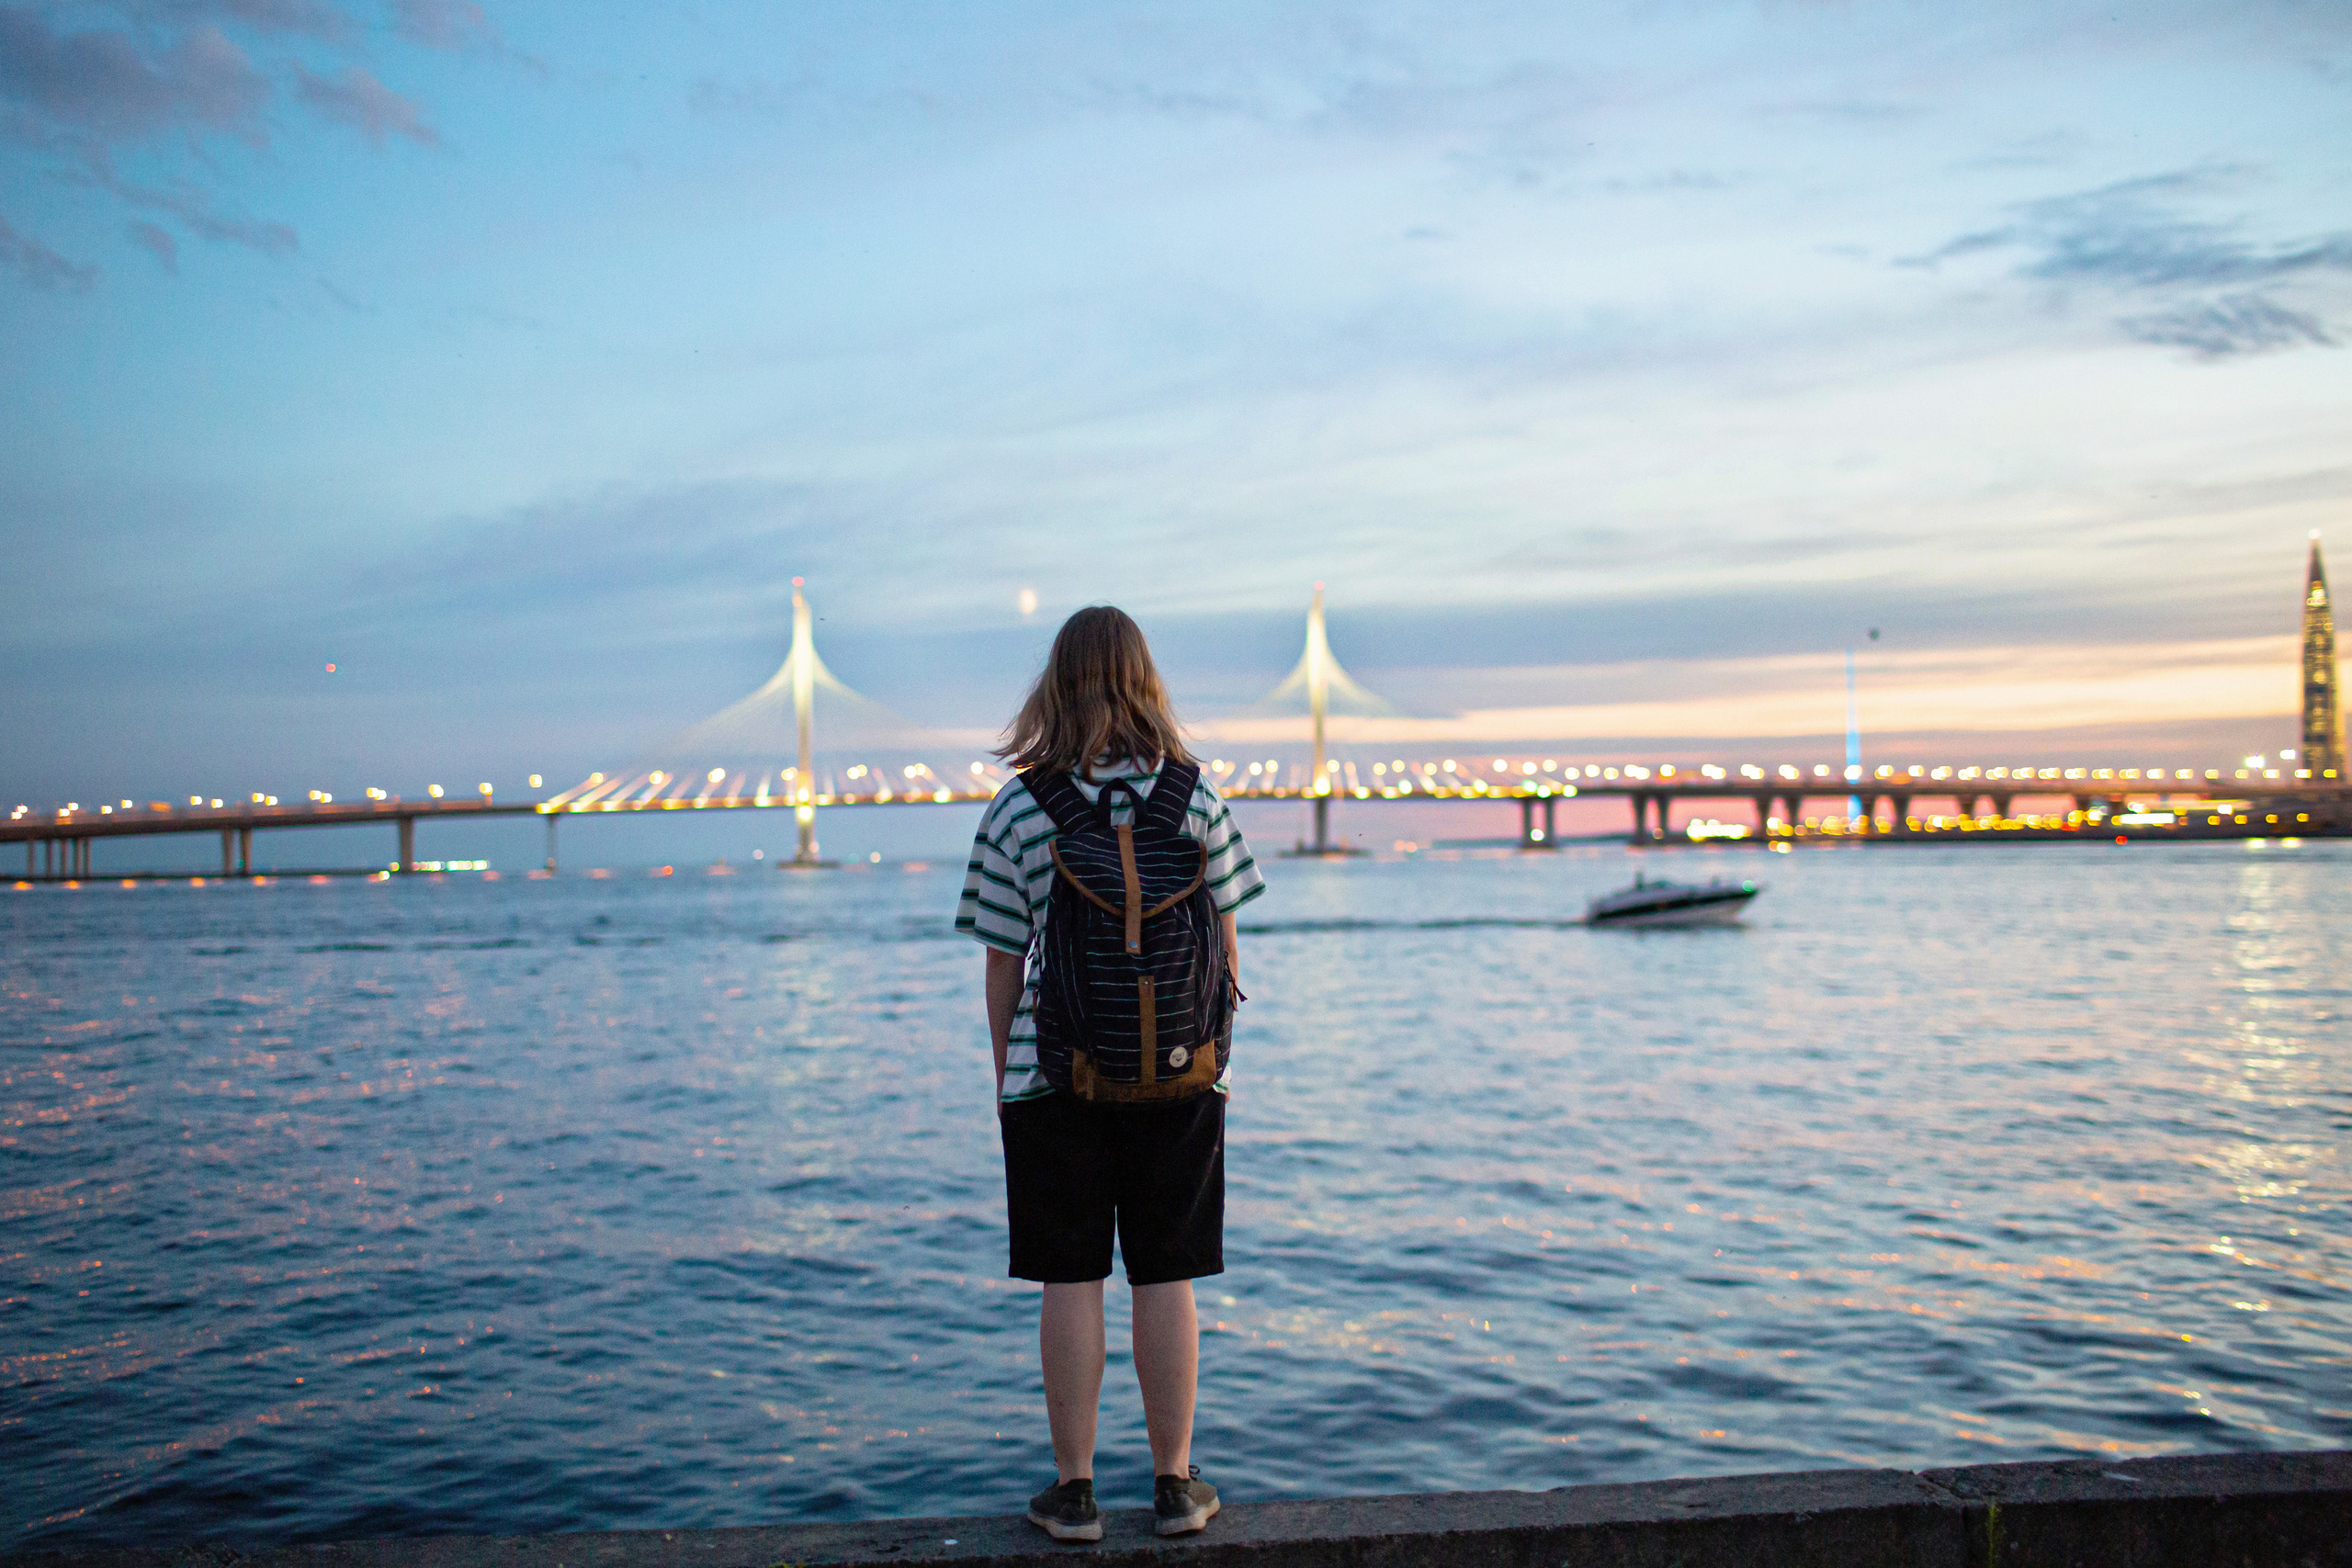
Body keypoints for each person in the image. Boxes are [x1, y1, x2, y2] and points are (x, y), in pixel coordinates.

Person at [955, 605, 1265, 1541]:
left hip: (1053, 1078)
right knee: (1167, 1278)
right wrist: (1205, 1062)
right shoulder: (1196, 799)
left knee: (1072, 1279)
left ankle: (1075, 1492)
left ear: (1053, 685)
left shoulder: (1019, 808)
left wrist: (1009, 1069)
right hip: (1180, 1074)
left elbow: (1003, 959)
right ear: (1145, 680)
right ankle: (1174, 1486)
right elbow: (1228, 953)